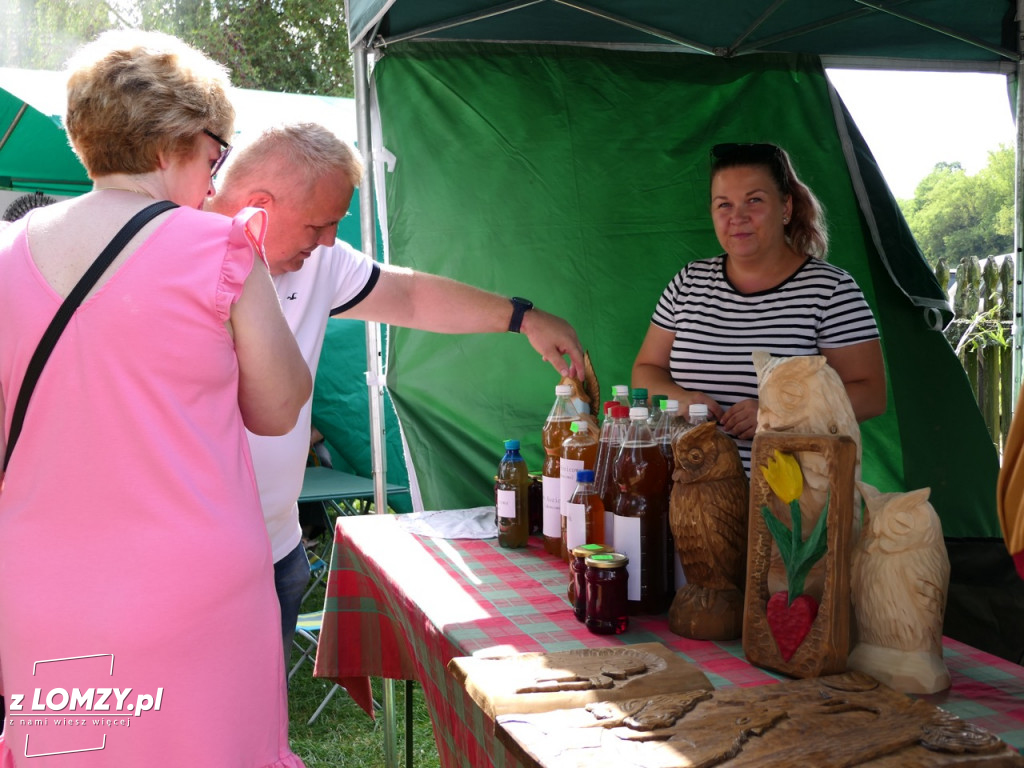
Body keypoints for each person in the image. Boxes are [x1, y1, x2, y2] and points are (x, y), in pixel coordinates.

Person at [0, 31, 310, 767]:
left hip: (41, 593)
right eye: (214, 154)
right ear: (173, 141)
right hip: (193, 592)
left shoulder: (7, 253)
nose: (213, 178)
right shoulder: (220, 248)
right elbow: (278, 408)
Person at [208, 122, 585, 660]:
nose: (330, 241)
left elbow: (407, 296)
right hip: (192, 561)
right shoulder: (173, 256)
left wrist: (521, 318)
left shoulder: (320, 261)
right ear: (260, 205)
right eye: (320, 225)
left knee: (259, 724)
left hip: (277, 547)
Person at [632, 142, 886, 472]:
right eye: (724, 204)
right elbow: (646, 370)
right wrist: (682, 398)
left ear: (786, 207)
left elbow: (870, 394)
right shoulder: (687, 282)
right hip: (687, 495)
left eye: (754, 200)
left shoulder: (831, 290)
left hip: (788, 506)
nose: (737, 217)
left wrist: (776, 415)